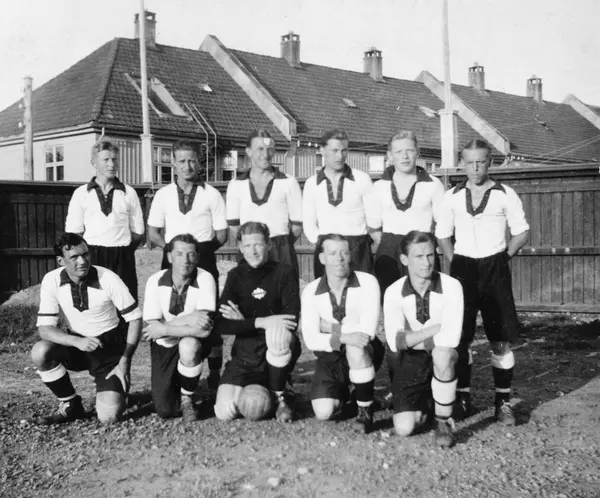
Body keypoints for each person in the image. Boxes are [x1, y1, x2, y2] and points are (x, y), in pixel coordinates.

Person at [436, 139, 530, 425]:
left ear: (490, 162)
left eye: (480, 162)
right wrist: (455, 260)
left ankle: (502, 402)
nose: (475, 168)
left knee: (499, 339)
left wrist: (503, 258)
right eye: (470, 162)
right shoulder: (452, 196)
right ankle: (463, 398)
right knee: (460, 337)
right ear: (462, 164)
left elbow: (521, 232)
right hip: (463, 268)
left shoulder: (505, 194)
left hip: (494, 268)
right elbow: (442, 234)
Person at [31, 233, 142, 425]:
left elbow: (135, 319)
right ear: (60, 261)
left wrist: (125, 361)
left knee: (109, 417)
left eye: (85, 254)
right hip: (77, 345)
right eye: (74, 257)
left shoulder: (107, 277)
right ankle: (70, 404)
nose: (82, 261)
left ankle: (118, 390)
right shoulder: (52, 279)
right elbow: (45, 329)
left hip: (108, 349)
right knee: (41, 351)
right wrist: (77, 341)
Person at [147, 139, 228, 389]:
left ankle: (214, 373)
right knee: (171, 310)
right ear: (173, 162)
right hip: (173, 256)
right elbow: (153, 233)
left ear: (199, 162)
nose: (187, 166)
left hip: (203, 255)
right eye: (181, 161)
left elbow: (222, 234)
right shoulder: (162, 195)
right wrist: (173, 251)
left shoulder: (211, 194)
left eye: (192, 160)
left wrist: (201, 253)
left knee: (209, 316)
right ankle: (173, 364)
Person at [214, 222, 300, 423]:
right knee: (224, 412)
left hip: (275, 348)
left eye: (258, 245)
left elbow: (291, 321)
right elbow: (221, 324)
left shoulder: (284, 272)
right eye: (247, 246)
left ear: (268, 244)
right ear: (240, 248)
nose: (253, 251)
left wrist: (243, 322)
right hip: (246, 353)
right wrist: (261, 322)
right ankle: (267, 389)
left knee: (277, 333)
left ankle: (280, 394)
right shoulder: (235, 276)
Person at [383, 231, 463, 447]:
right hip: (410, 361)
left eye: (430, 255)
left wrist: (411, 338)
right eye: (419, 257)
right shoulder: (393, 291)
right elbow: (395, 342)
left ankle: (443, 422)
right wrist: (435, 328)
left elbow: (452, 338)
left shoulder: (451, 286)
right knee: (404, 428)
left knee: (442, 354)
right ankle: (431, 401)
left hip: (441, 356)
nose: (427, 263)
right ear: (404, 259)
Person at [301, 234, 385, 433]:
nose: (339, 258)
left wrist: (328, 328)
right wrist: (344, 335)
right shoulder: (311, 290)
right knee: (324, 412)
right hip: (330, 357)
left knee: (355, 348)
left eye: (344, 252)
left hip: (363, 350)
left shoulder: (368, 282)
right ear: (322, 258)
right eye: (332, 253)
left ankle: (365, 411)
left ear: (350, 255)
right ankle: (354, 393)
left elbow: (367, 332)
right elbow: (311, 340)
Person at [142, 234, 218, 422]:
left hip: (190, 340)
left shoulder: (205, 278)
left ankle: (187, 398)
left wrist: (164, 328)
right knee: (165, 410)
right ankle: (181, 382)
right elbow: (152, 328)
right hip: (164, 345)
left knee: (189, 345)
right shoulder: (155, 280)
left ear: (197, 257)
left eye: (191, 254)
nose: (186, 260)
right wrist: (189, 318)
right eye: (179, 254)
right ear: (169, 257)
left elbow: (203, 330)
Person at [366, 131, 445, 297]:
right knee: (389, 299)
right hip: (389, 251)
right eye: (398, 152)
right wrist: (391, 244)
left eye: (409, 150)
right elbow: (373, 227)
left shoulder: (433, 184)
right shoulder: (379, 186)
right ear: (390, 155)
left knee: (426, 299)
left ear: (417, 152)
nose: (405, 156)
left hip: (422, 248)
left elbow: (442, 223)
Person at [65, 140, 145, 300]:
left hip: (122, 257)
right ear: (94, 162)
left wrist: (123, 250)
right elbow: (74, 232)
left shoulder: (128, 192)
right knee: (95, 302)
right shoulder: (82, 193)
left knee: (125, 302)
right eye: (106, 160)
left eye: (114, 159)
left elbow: (138, 232)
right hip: (93, 256)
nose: (111, 164)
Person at [226, 129, 303, 278]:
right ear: (248, 152)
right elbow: (234, 227)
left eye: (270, 149)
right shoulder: (235, 184)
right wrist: (252, 244)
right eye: (260, 149)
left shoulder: (288, 182)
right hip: (250, 252)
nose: (266, 154)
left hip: (281, 251)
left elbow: (297, 226)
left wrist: (278, 244)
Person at [302, 130, 373, 278]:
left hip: (358, 249)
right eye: (334, 151)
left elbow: (372, 219)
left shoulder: (362, 179)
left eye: (343, 151)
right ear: (322, 150)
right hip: (327, 248)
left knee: (361, 289)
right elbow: (309, 223)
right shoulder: (311, 183)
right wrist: (321, 244)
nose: (340, 156)